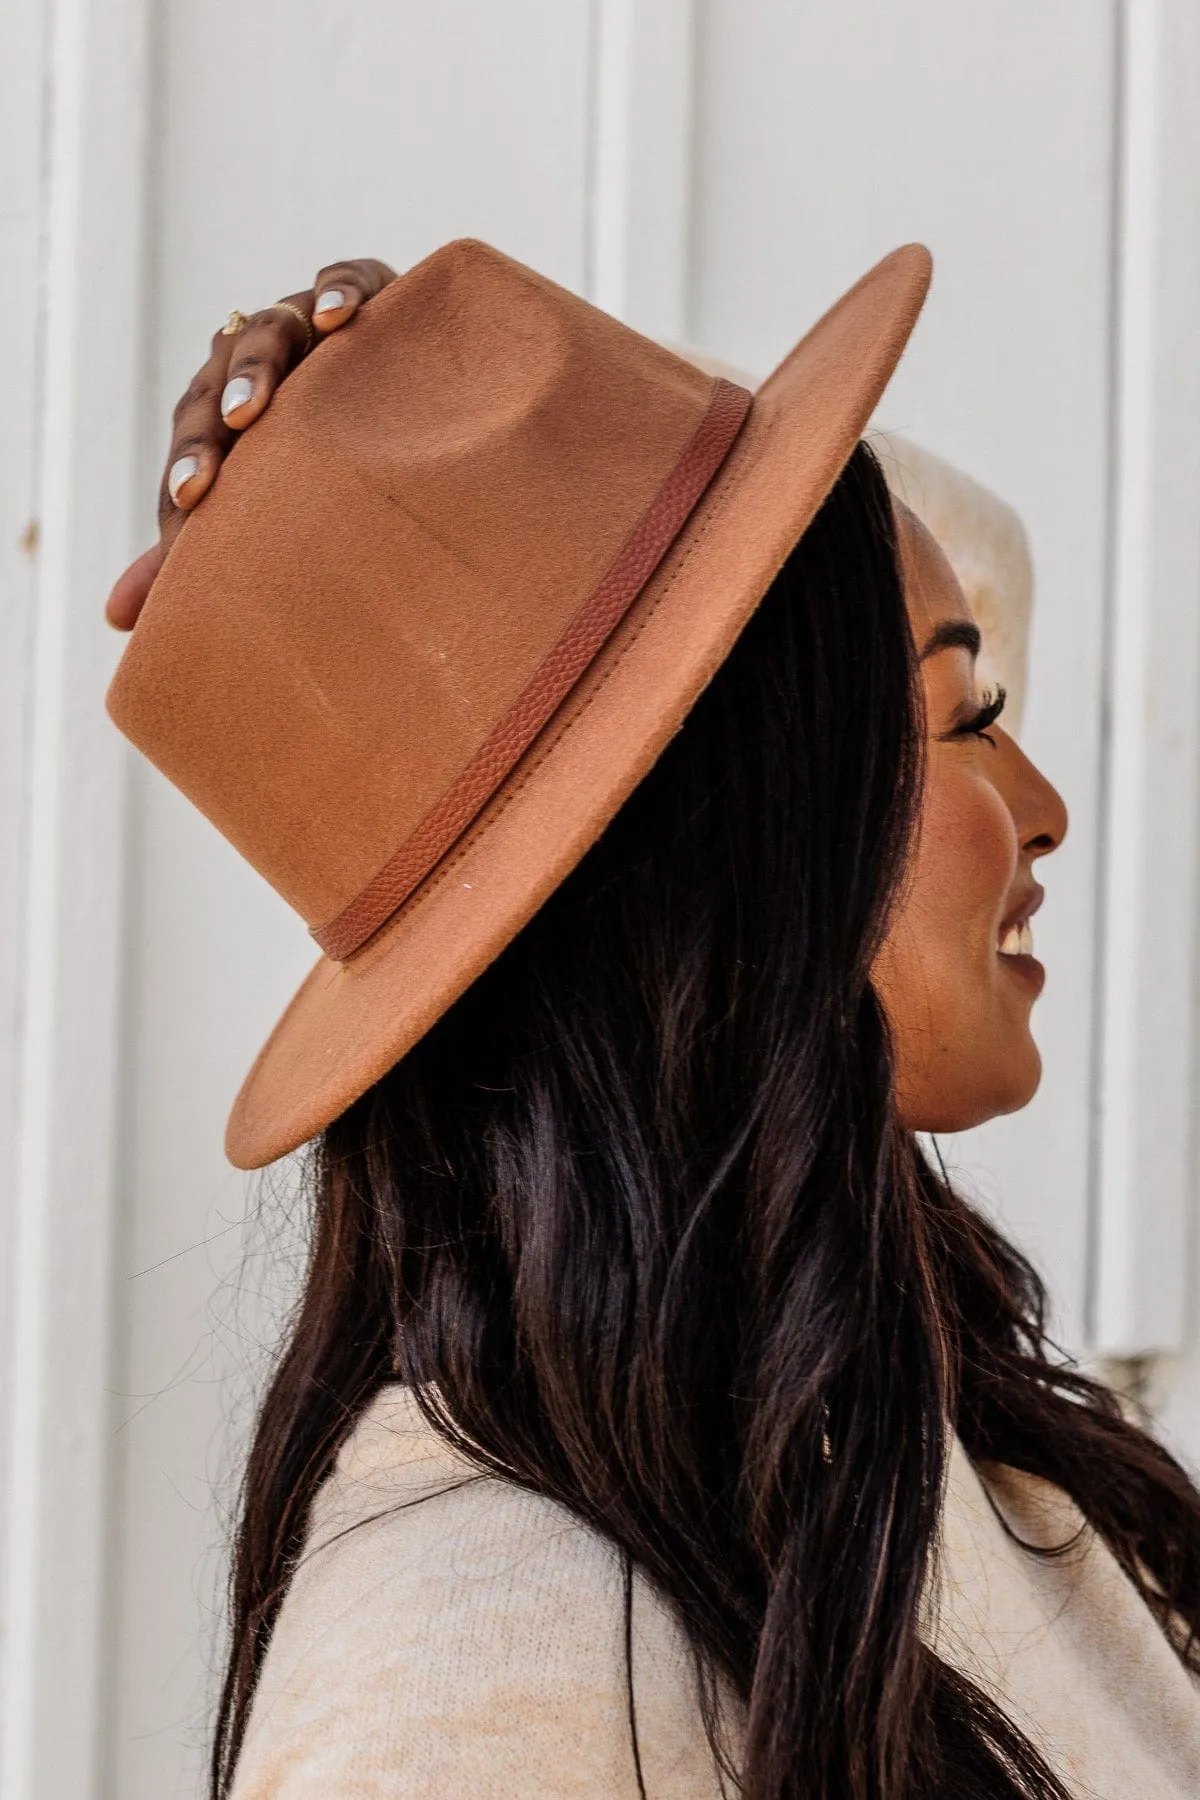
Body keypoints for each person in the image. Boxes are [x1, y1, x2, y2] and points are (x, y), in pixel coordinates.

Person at [105, 246, 1200, 1800]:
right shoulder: (473, 1683)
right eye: (970, 718)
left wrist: (472, 483)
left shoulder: (899, 1436)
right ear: (734, 855)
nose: (1048, 813)